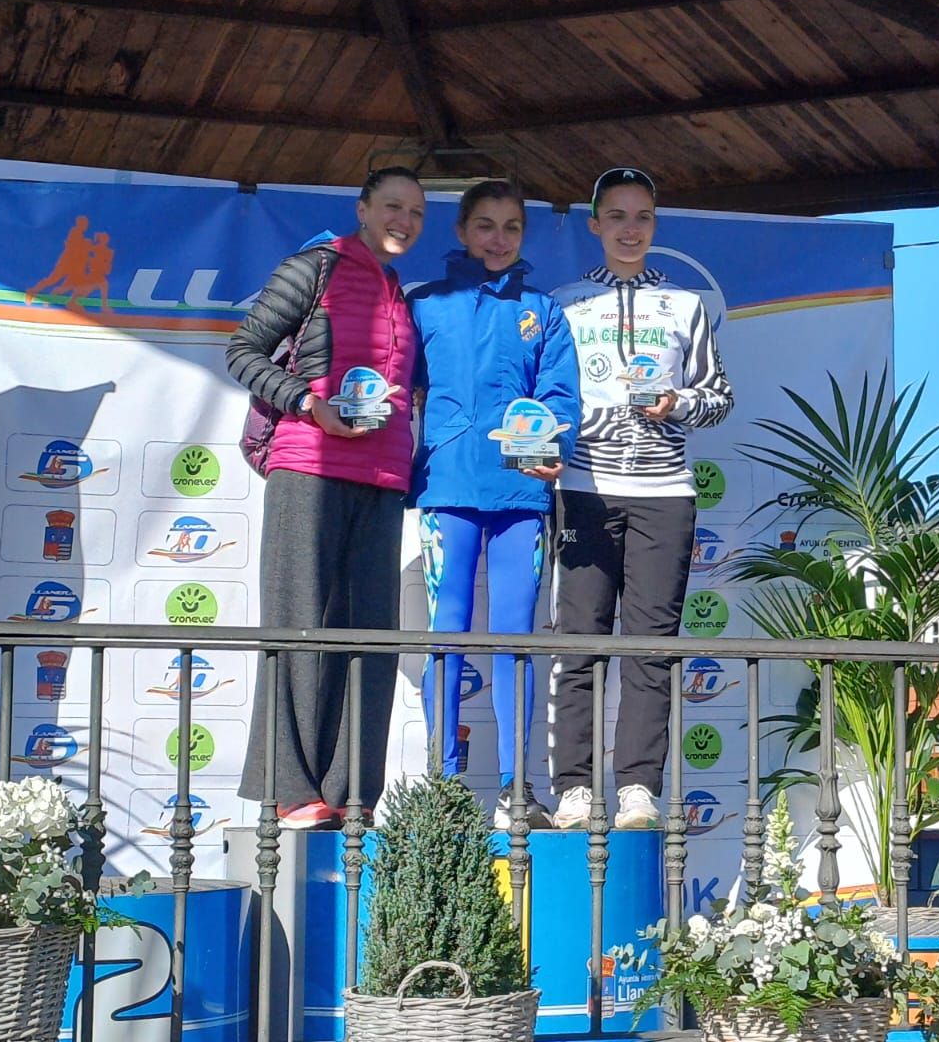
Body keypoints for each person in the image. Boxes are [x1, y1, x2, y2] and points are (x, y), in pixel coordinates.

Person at [229, 167, 424, 828]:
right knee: (299, 622)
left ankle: (350, 794)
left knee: (370, 638)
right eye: (393, 206)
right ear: (364, 208)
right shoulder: (316, 266)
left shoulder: (400, 292)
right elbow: (244, 350)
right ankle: (291, 788)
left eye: (416, 213)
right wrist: (308, 405)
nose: (403, 220)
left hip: (383, 480)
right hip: (308, 464)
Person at [549, 167, 734, 830]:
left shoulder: (685, 305)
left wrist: (676, 402)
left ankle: (636, 788)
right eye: (618, 216)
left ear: (655, 226)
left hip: (664, 492)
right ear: (595, 224)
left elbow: (719, 398)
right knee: (580, 642)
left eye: (643, 217)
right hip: (584, 487)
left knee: (652, 645)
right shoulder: (563, 303)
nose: (630, 229)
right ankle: (572, 787)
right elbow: (547, 397)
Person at [409, 180, 579, 830]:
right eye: (486, 225)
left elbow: (561, 397)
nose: (498, 238)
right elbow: (396, 387)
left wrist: (554, 440)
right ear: (461, 231)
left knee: (515, 641)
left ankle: (517, 787)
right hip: (446, 490)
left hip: (520, 494)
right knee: (446, 638)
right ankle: (443, 788)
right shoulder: (426, 305)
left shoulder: (543, 310)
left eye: (511, 227)